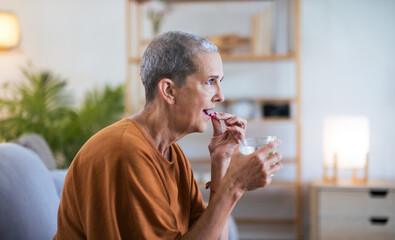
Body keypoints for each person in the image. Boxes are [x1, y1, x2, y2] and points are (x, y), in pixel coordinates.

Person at [54, 31, 283, 239]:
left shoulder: (172, 153)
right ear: (169, 91)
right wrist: (234, 186)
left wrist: (220, 162)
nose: (220, 96)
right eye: (210, 82)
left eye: (219, 82)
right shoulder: (126, 152)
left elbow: (213, 236)